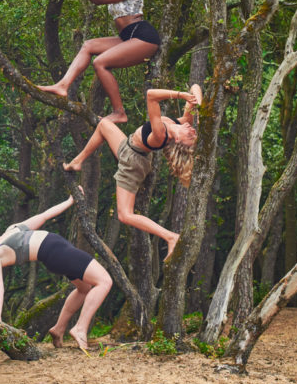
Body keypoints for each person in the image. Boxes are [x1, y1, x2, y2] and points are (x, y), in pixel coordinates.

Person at [63, 84, 203, 260]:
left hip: (132, 162)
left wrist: (180, 95)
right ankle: (77, 161)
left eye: (190, 137)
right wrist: (198, 102)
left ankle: (171, 237)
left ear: (177, 140)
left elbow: (151, 95)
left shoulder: (161, 134)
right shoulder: (183, 124)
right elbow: (195, 86)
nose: (192, 131)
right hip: (130, 146)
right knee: (104, 124)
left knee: (124, 214)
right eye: (194, 134)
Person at [0, 190, 112, 350]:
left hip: (59, 251)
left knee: (84, 289)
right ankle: (80, 329)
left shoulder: (11, 229)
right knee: (104, 281)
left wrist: (70, 200)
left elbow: (44, 215)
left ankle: (58, 329)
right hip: (56, 253)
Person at [39, 0, 160, 124]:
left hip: (143, 37)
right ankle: (63, 85)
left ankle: (119, 112)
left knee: (100, 62)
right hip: (128, 37)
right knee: (88, 46)